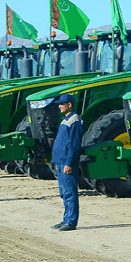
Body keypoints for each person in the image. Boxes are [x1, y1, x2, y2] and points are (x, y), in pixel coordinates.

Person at [50, 94, 82, 231]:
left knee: (70, 192)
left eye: (62, 104)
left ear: (69, 104)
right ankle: (65, 219)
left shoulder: (74, 120)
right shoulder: (66, 119)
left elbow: (74, 145)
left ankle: (71, 222)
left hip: (67, 163)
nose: (59, 106)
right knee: (64, 192)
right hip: (60, 161)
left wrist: (69, 163)